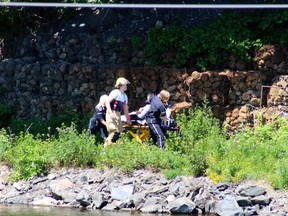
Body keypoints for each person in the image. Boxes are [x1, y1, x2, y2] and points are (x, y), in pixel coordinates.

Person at [105, 77, 131, 146]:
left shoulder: (125, 96)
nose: (126, 86)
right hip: (112, 112)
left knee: (120, 132)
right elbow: (107, 102)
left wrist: (127, 119)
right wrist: (110, 113)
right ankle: (105, 149)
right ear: (120, 85)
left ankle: (115, 148)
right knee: (113, 131)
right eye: (125, 84)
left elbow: (125, 108)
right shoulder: (115, 92)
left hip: (118, 113)